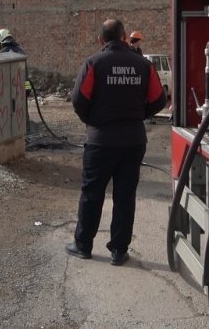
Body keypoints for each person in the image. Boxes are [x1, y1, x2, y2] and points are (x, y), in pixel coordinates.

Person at [66, 19, 166, 266]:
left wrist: (93, 120)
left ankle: (83, 245)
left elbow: (79, 100)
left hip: (100, 141)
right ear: (124, 37)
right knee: (125, 196)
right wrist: (139, 115)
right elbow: (159, 99)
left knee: (92, 194)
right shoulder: (143, 65)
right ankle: (119, 251)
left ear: (101, 40)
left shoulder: (94, 63)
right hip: (133, 141)